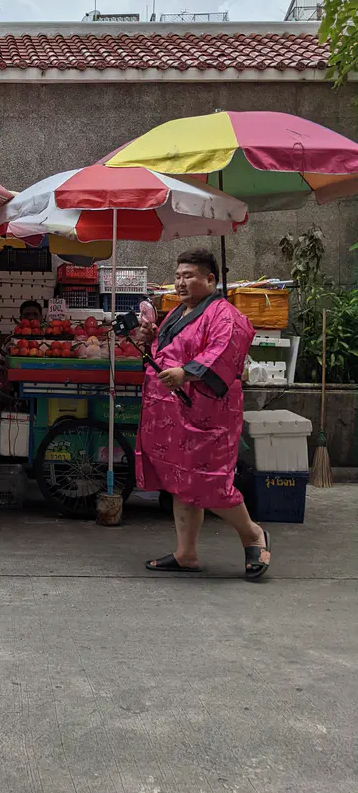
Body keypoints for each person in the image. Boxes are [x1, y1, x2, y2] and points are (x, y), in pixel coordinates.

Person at [136, 249, 271, 581]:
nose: (181, 282)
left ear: (210, 279)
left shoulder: (225, 314)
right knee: (182, 481)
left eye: (189, 276)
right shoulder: (178, 313)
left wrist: (186, 373)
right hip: (174, 410)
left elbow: (224, 351)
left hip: (208, 412)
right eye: (178, 276)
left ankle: (252, 534)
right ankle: (186, 553)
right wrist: (149, 338)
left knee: (209, 481)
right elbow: (170, 351)